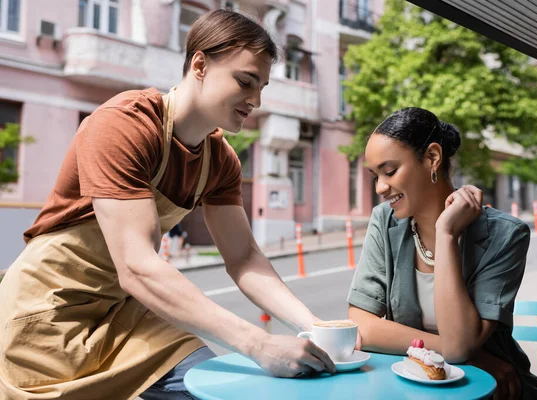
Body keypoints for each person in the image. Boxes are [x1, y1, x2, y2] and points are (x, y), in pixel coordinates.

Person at [0, 10, 336, 400]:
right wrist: (257, 343)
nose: (256, 100)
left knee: (213, 390)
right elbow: (137, 266)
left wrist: (314, 326)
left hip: (123, 317)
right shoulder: (123, 124)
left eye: (261, 86)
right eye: (245, 81)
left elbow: (244, 257)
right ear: (199, 64)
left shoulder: (221, 161)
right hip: (46, 314)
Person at [347, 107, 537, 400]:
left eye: (389, 171)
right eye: (375, 175)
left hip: (493, 391)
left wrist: (447, 233)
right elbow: (362, 325)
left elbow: (458, 347)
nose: (380, 187)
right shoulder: (384, 221)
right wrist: (452, 355)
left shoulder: (507, 234)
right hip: (417, 387)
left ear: (432, 157)